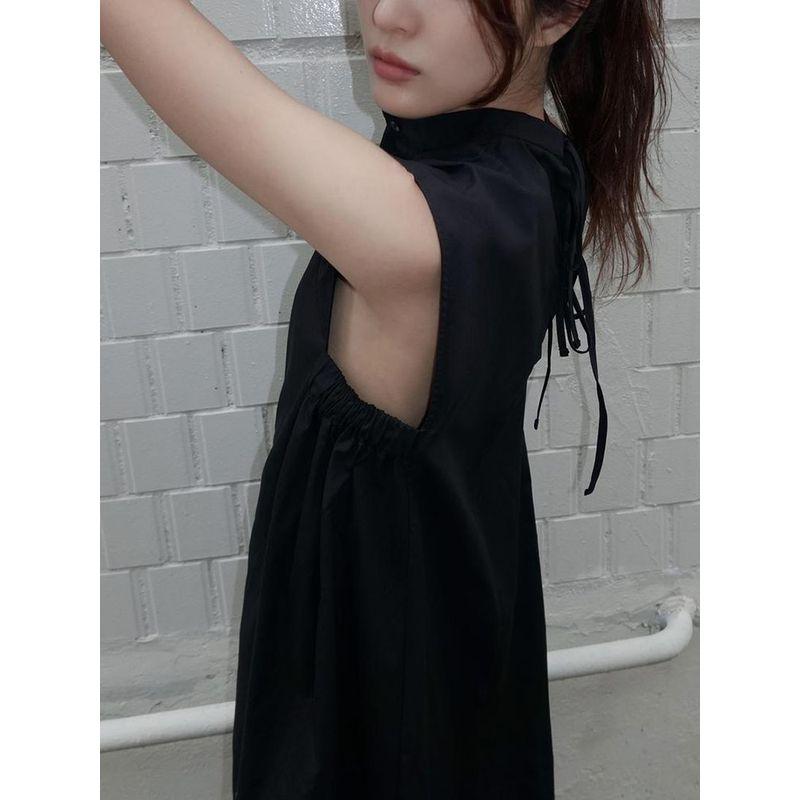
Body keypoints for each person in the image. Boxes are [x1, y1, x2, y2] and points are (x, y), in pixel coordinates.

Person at [101, 1, 670, 797]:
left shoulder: (424, 234)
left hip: (371, 696)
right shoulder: (526, 171)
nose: (386, 15)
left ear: (557, 14)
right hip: (444, 629)